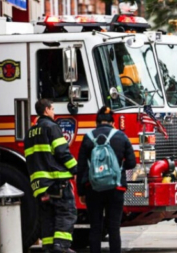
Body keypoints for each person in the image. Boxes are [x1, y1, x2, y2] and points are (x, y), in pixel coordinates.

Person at [76, 106, 136, 253]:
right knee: (114, 227)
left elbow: (81, 166)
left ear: (97, 122)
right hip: (116, 188)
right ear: (112, 122)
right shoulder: (121, 136)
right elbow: (131, 163)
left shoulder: (88, 137)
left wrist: (81, 191)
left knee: (95, 227)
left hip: (93, 188)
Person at [24, 99, 78, 253]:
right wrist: (76, 171)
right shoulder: (52, 127)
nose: (54, 112)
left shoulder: (30, 132)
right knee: (66, 213)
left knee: (47, 216)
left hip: (39, 186)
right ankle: (61, 247)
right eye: (53, 109)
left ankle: (48, 247)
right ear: (46, 110)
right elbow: (62, 152)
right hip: (56, 183)